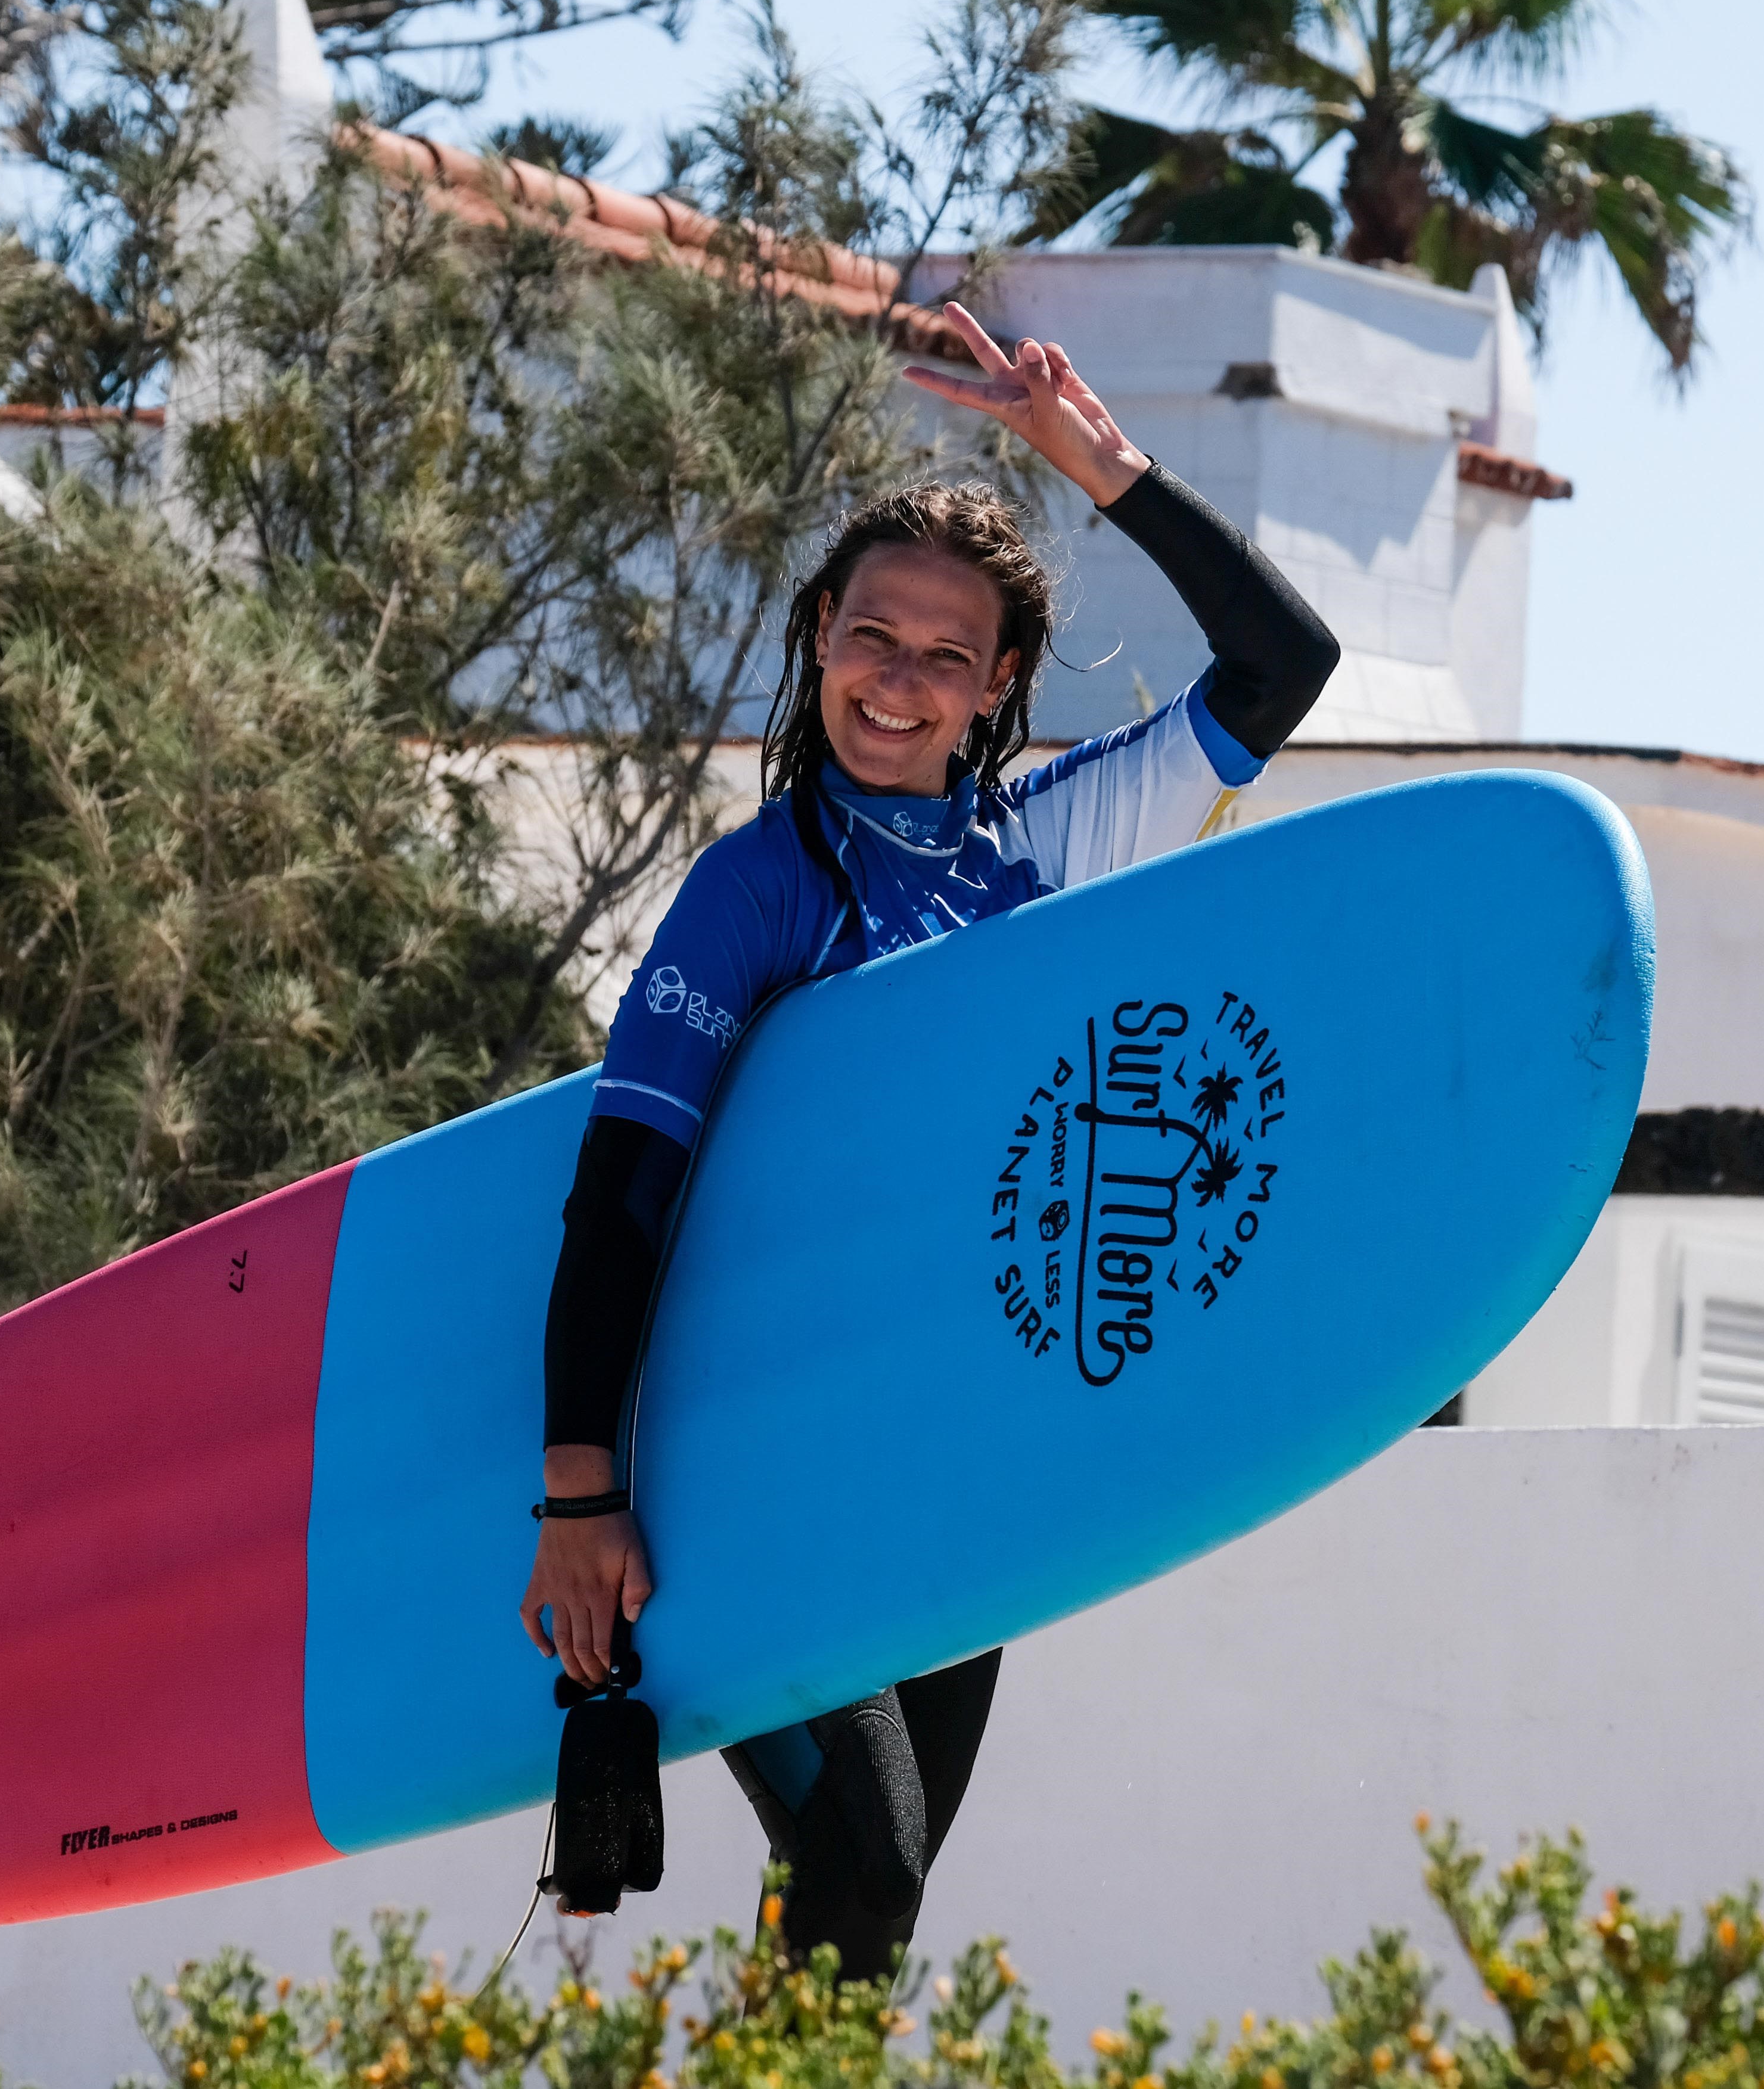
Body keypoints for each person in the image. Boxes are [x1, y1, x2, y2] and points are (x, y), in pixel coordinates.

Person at [517, 300, 1340, 1981]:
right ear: (817, 636)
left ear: (997, 688)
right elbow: (618, 1200)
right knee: (867, 1866)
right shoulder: (754, 891)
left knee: (855, 1920)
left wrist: (1097, 468)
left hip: (960, 1479)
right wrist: (579, 1495)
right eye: (869, 636)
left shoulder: (1051, 839)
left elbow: (1282, 669)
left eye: (943, 655)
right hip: (750, 1471)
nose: (896, 680)